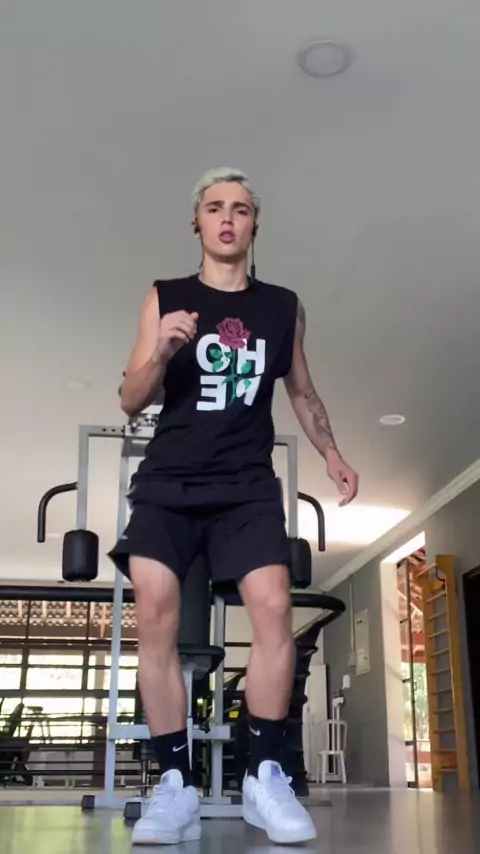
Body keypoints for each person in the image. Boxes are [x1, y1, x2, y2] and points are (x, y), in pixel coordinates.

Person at [110, 167, 359, 846]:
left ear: (254, 225)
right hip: (170, 480)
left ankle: (263, 777)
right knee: (155, 610)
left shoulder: (282, 307)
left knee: (274, 606)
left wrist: (332, 453)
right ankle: (175, 785)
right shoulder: (165, 297)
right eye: (215, 208)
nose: (227, 218)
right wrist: (161, 351)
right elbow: (130, 399)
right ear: (197, 223)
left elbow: (302, 391)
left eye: (241, 209)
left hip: (246, 482)